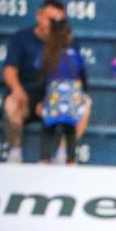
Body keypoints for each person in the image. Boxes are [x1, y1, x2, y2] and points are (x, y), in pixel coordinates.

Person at [1, 0, 91, 163]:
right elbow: (9, 70)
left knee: (84, 105)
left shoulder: (69, 43)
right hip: (28, 96)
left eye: (59, 21)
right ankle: (15, 153)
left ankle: (63, 154)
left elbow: (79, 77)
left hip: (57, 98)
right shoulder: (22, 38)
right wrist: (17, 89)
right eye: (51, 20)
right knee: (11, 103)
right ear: (39, 16)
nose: (54, 25)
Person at [39, 19, 88, 164]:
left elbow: (41, 78)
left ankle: (45, 158)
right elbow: (83, 75)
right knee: (70, 129)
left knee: (49, 127)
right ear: (68, 36)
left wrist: (41, 99)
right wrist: (83, 93)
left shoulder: (47, 54)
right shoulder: (74, 55)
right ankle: (71, 159)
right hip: (72, 95)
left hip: (53, 95)